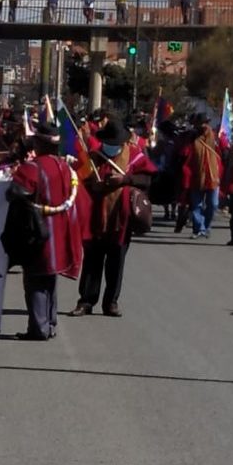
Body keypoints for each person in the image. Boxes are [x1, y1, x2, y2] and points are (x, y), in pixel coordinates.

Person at [4, 124, 88, 340]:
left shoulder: (32, 168)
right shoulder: (65, 167)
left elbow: (15, 192)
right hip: (61, 229)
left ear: (39, 144)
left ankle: (39, 328)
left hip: (38, 230)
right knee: (50, 278)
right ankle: (49, 323)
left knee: (35, 280)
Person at [70, 118, 156, 318]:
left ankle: (111, 302)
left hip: (121, 219)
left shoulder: (135, 156)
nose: (111, 147)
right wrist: (93, 185)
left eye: (115, 144)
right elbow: (79, 180)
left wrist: (125, 180)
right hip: (94, 218)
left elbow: (147, 180)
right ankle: (86, 301)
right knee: (92, 262)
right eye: (108, 143)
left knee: (116, 263)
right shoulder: (92, 157)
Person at [182, 112, 222, 239]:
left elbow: (222, 153)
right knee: (197, 205)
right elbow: (185, 154)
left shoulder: (215, 137)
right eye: (202, 124)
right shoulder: (192, 137)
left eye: (206, 123)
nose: (204, 126)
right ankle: (200, 228)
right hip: (196, 175)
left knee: (213, 204)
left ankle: (206, 225)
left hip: (213, 175)